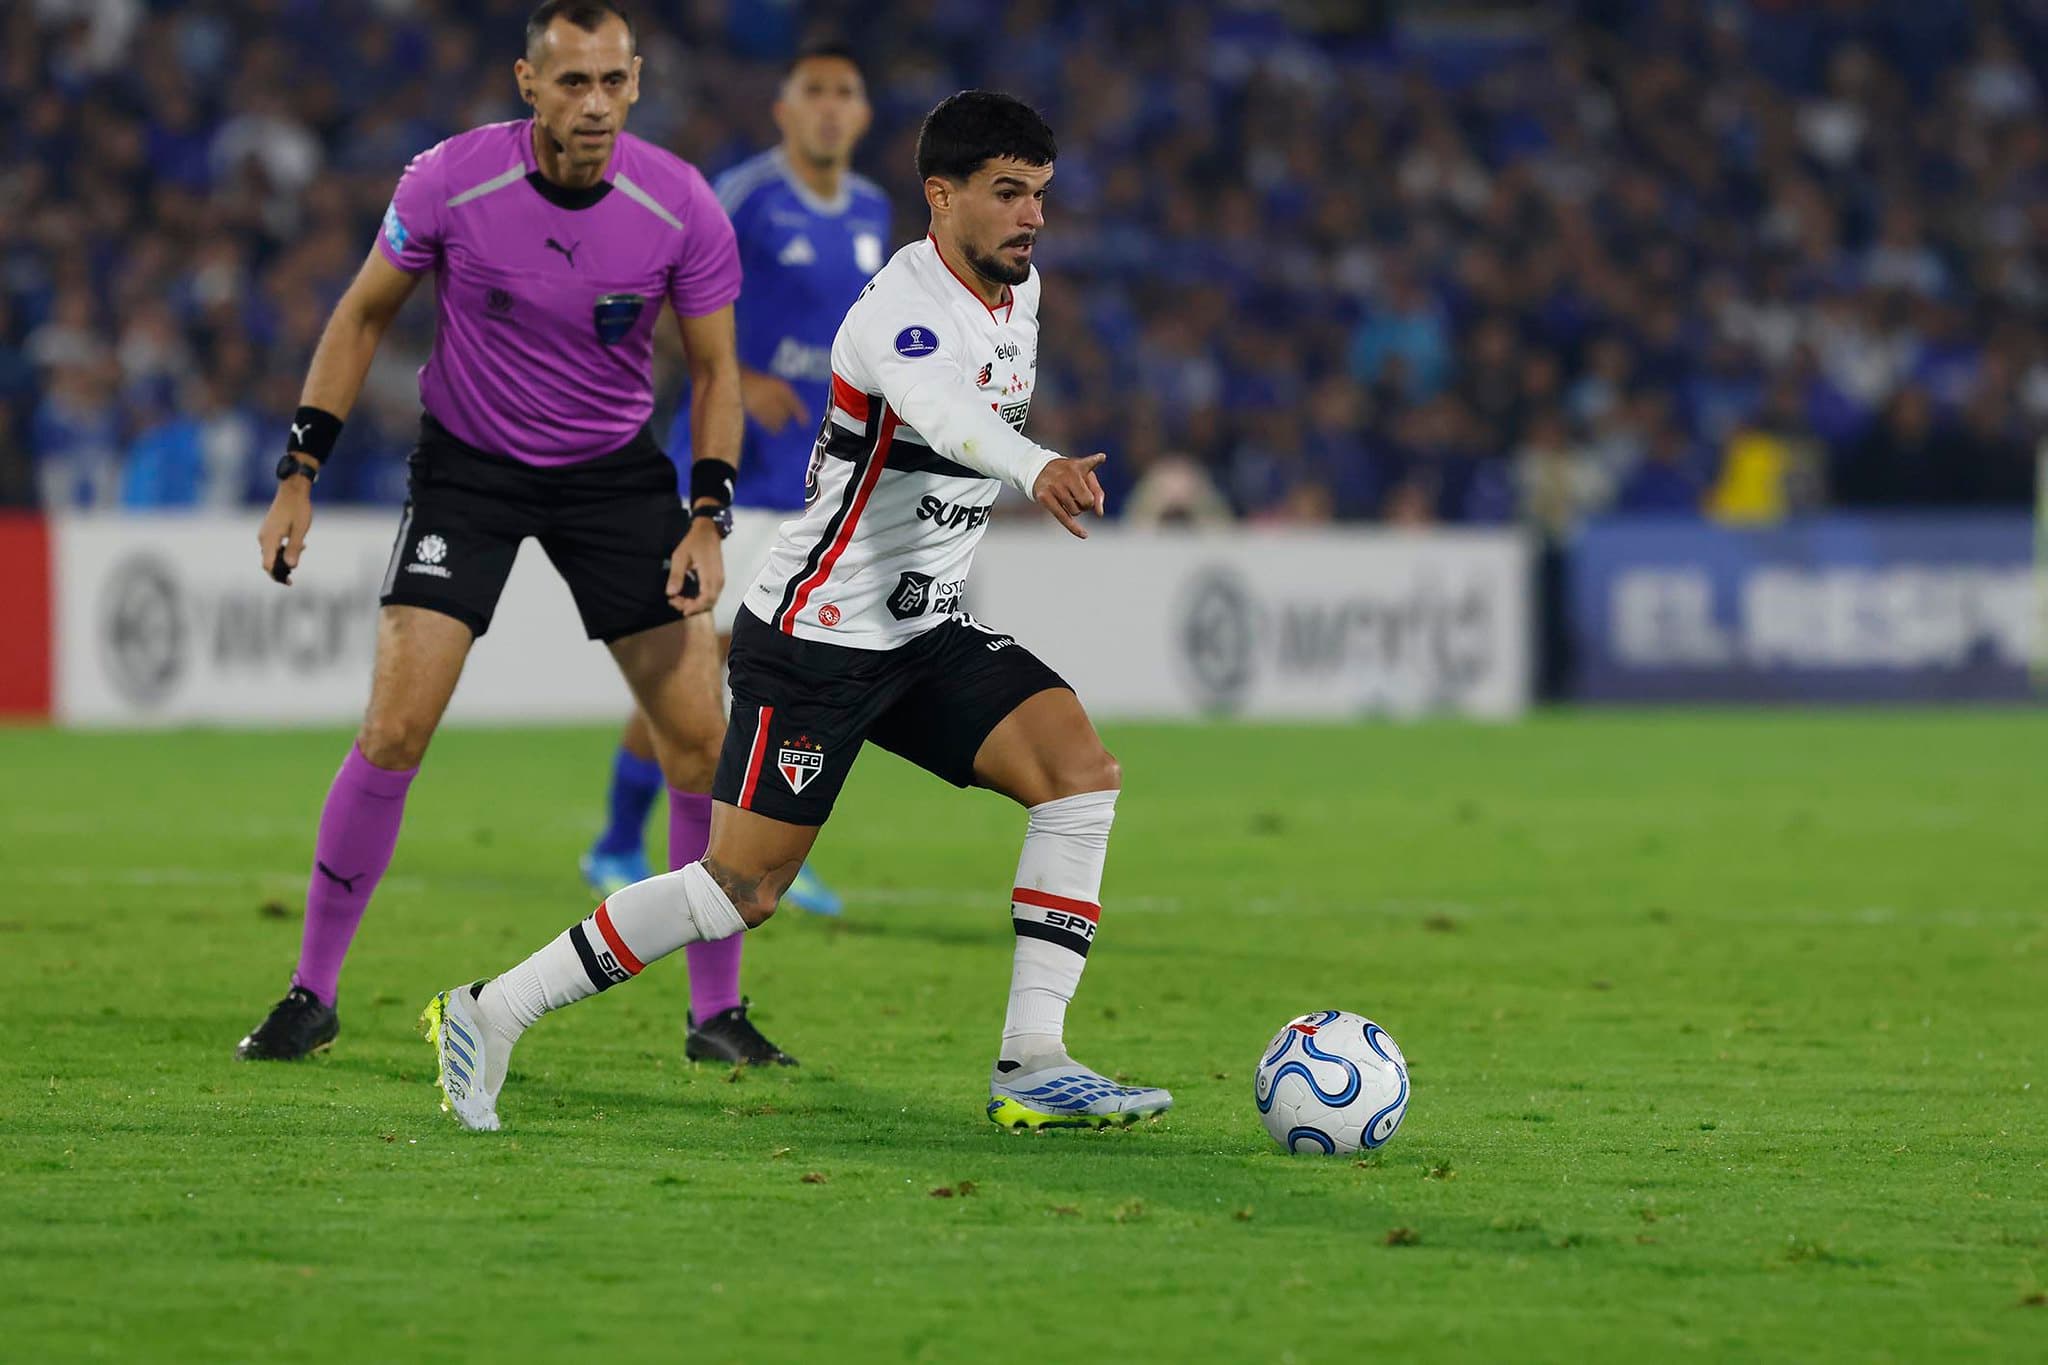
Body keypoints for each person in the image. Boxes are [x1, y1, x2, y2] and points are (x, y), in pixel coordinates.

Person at [424, 90, 1174, 1134]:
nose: (1030, 217)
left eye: (1039, 196)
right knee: (739, 888)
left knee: (1077, 772)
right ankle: (490, 1007)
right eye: (1007, 194)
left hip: (920, 631)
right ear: (940, 196)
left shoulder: (1021, 290)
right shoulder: (894, 315)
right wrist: (1034, 463)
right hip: (816, 642)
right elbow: (948, 419)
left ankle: (1031, 1060)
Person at [233, 1, 794, 1066]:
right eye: (571, 82)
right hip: (470, 473)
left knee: (699, 742)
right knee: (394, 731)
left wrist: (708, 515)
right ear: (526, 84)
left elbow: (717, 370)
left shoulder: (679, 205)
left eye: (613, 82)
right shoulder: (447, 179)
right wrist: (297, 473)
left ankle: (713, 1012)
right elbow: (360, 315)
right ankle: (311, 990)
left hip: (614, 481)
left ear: (636, 84)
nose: (594, 104)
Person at [582, 41, 891, 950]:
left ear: (864, 114)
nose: (832, 108)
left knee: (796, 669)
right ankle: (613, 840)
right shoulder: (745, 194)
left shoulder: (875, 210)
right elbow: (663, 290)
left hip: (817, 479)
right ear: (784, 110)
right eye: (815, 93)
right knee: (703, 661)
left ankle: (768, 848)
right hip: (727, 471)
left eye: (847, 92)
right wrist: (742, 374)